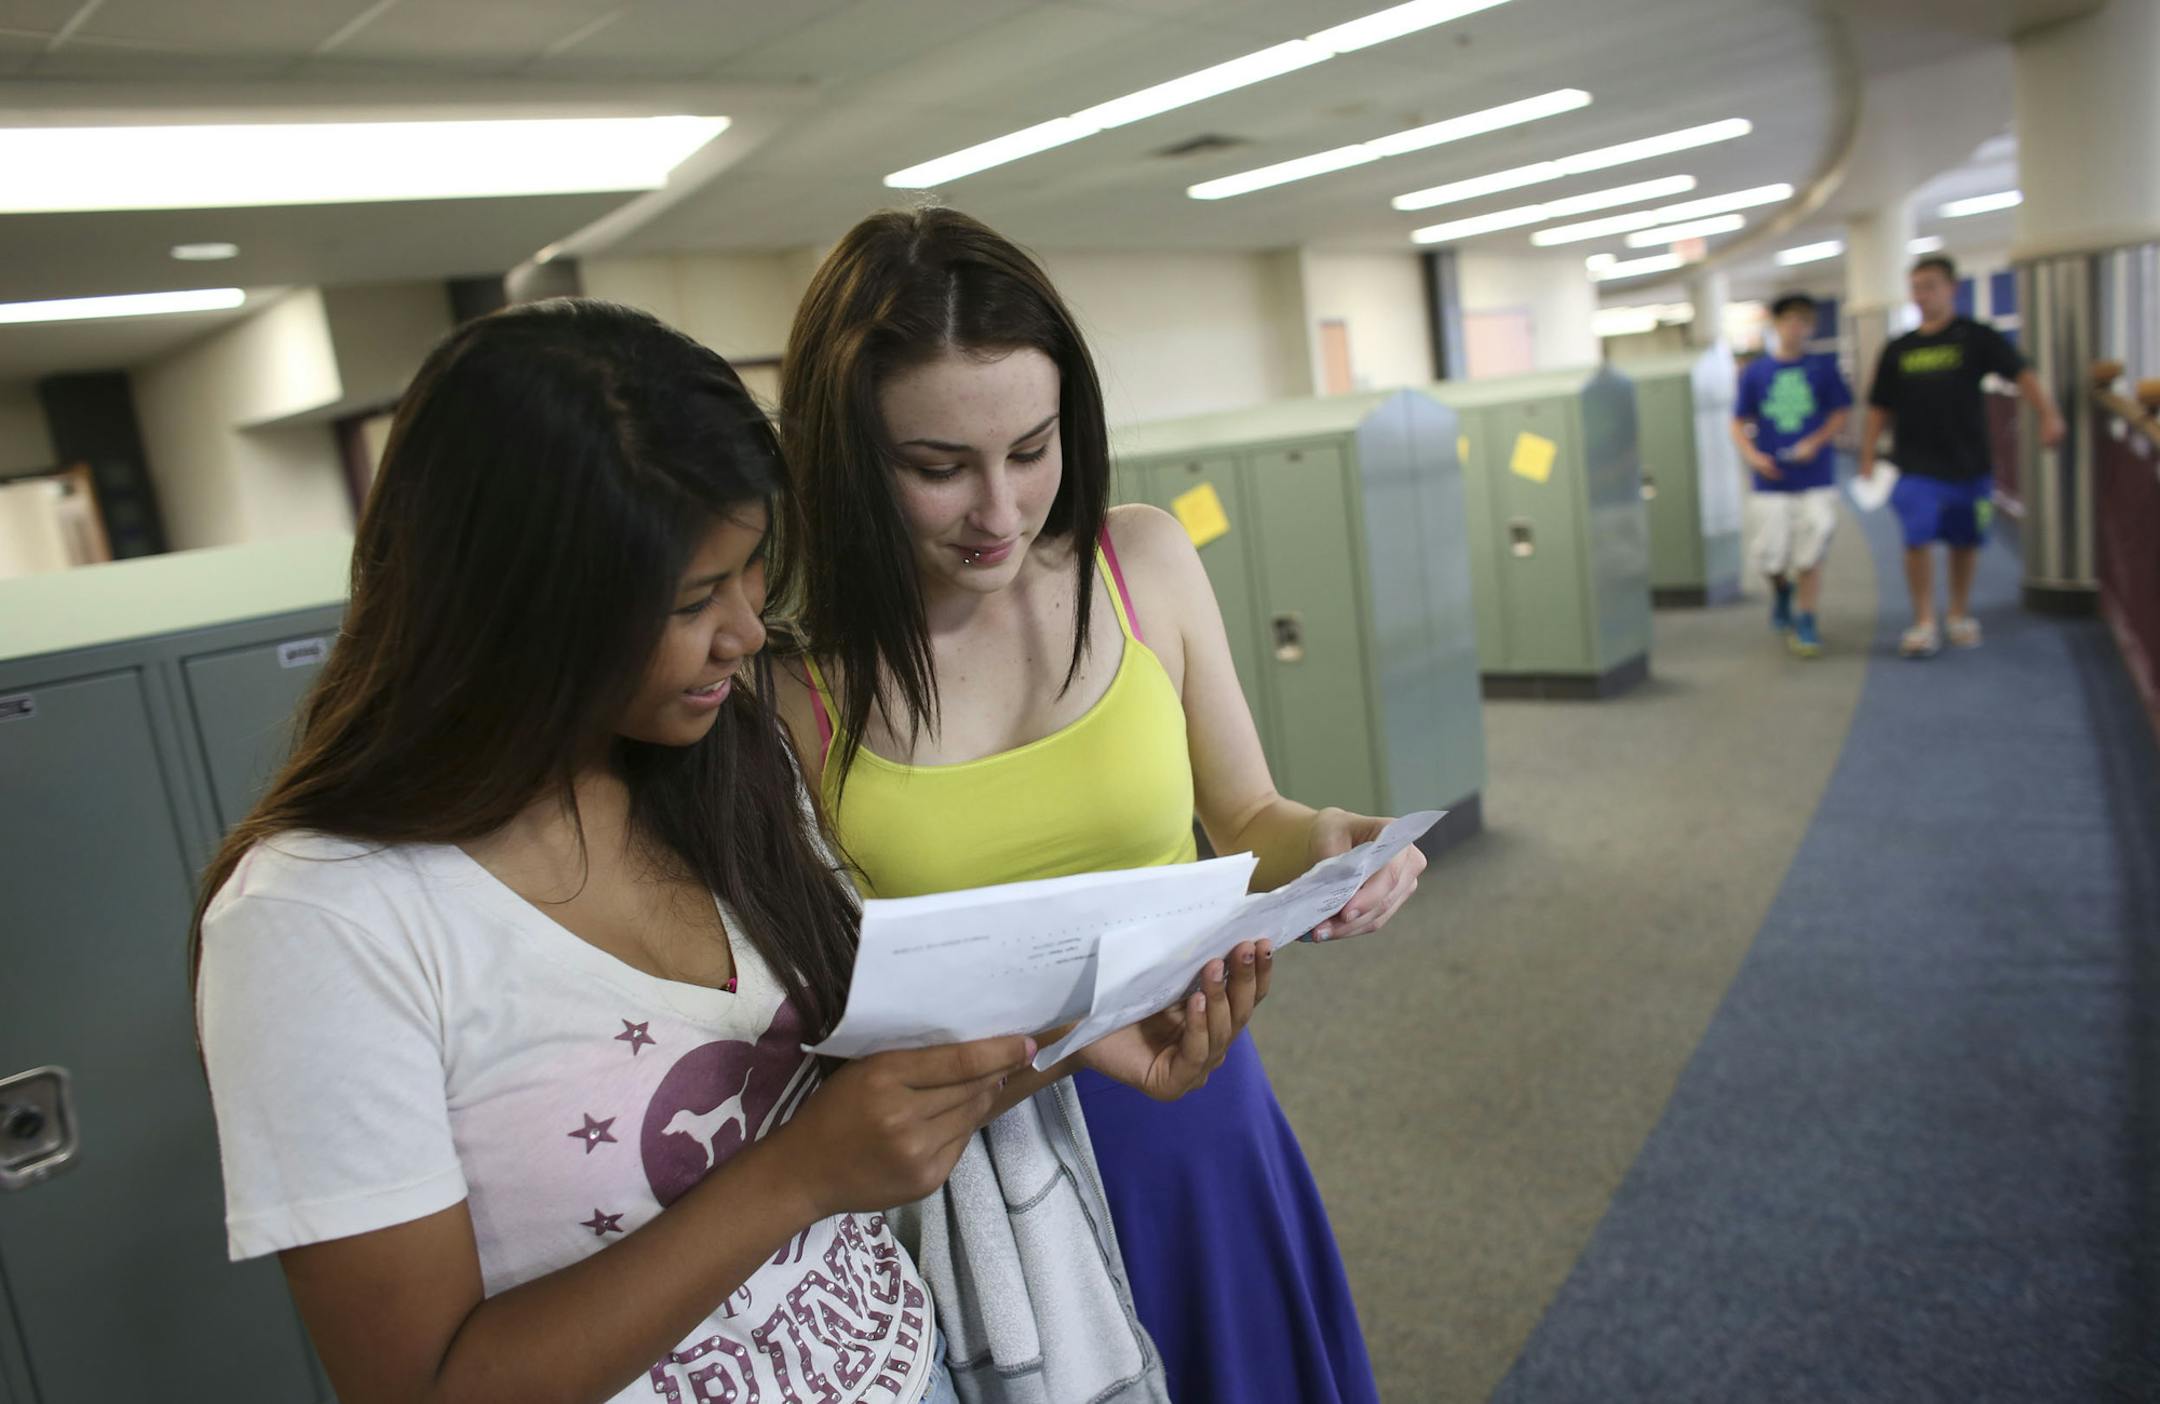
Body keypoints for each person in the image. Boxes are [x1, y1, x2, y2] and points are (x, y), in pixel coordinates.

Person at [191, 300, 1259, 1404]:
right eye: (696, 599)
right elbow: (425, 1386)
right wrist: (791, 1182)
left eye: (753, 573)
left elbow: (858, 1102)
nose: (749, 632)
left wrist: (1076, 1036)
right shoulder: (319, 922)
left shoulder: (713, 762)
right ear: (524, 615)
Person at [770, 207, 1424, 1404]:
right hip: (978, 1166)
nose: (1001, 511)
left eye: (1032, 448)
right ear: (847, 457)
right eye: (937, 469)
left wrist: (1327, 842)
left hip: (1190, 1099)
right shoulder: (797, 686)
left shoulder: (1144, 560)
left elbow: (1249, 815)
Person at [1859, 255, 2065, 657]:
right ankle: (1924, 620)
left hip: (1969, 462)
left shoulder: (1975, 337)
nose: (1923, 295)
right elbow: (1878, 406)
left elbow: (2020, 373)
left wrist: (2049, 415)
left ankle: (1957, 613)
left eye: (1931, 285)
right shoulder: (1899, 348)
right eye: (1917, 287)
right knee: (1916, 538)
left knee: (1964, 541)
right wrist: (1867, 454)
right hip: (1915, 463)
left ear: (1952, 288)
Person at [1732, 292, 1852, 657]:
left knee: (1811, 547)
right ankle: (1782, 590)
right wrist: (1752, 457)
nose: (1796, 328)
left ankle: (1806, 617)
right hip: (1770, 478)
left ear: (1810, 328)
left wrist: (1815, 442)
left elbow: (1840, 412)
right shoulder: (1757, 372)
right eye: (1789, 321)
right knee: (1769, 554)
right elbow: (1738, 421)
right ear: (1777, 325)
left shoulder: (1822, 370)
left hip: (1813, 476)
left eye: (1803, 321)